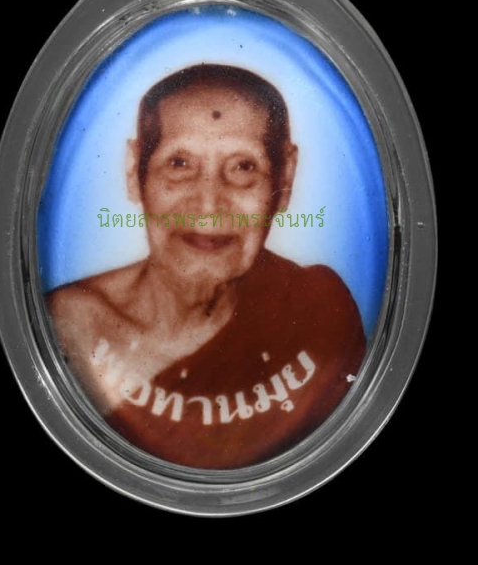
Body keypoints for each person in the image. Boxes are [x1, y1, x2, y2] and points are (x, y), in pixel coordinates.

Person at [48, 64, 366, 468]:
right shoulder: (69, 328)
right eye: (179, 164)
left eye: (243, 167)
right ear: (134, 171)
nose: (209, 205)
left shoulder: (319, 313)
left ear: (284, 178)